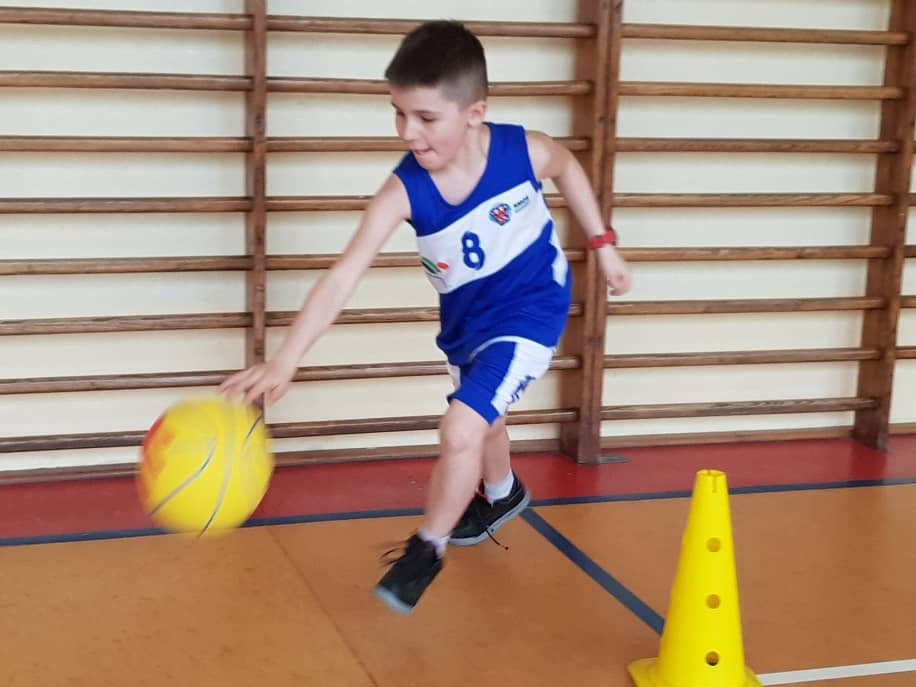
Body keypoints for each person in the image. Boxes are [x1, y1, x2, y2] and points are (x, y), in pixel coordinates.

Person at [220, 20, 631, 614]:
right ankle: (502, 492)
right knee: (485, 418)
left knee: (461, 428)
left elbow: (568, 167)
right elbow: (343, 276)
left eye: (426, 118)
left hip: (533, 308)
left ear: (475, 113)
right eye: (399, 114)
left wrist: (603, 243)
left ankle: (426, 549)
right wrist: (286, 359)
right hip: (467, 327)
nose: (408, 132)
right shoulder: (404, 190)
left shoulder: (523, 151)